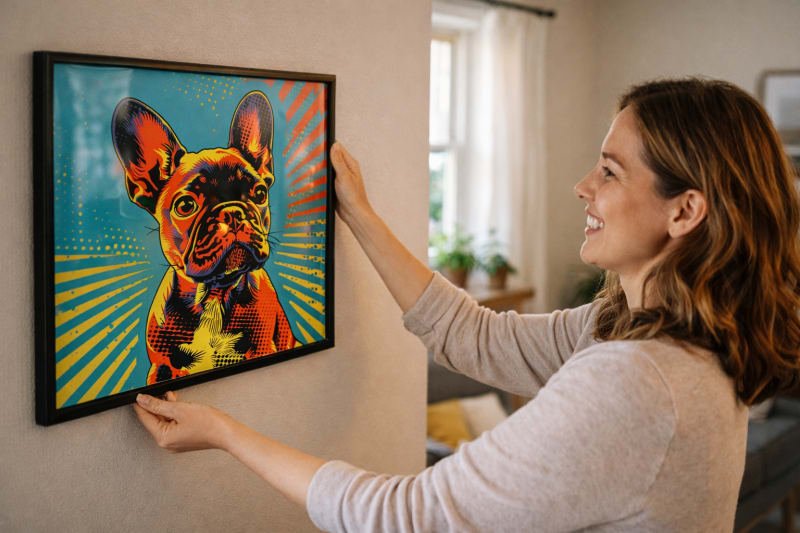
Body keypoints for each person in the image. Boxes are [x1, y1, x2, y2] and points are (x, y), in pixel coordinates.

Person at [134, 78, 800, 531]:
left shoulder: (636, 381)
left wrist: (225, 432)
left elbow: (409, 516)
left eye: (610, 170)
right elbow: (473, 336)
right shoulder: (647, 332)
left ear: (685, 210)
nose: (581, 186)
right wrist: (360, 216)